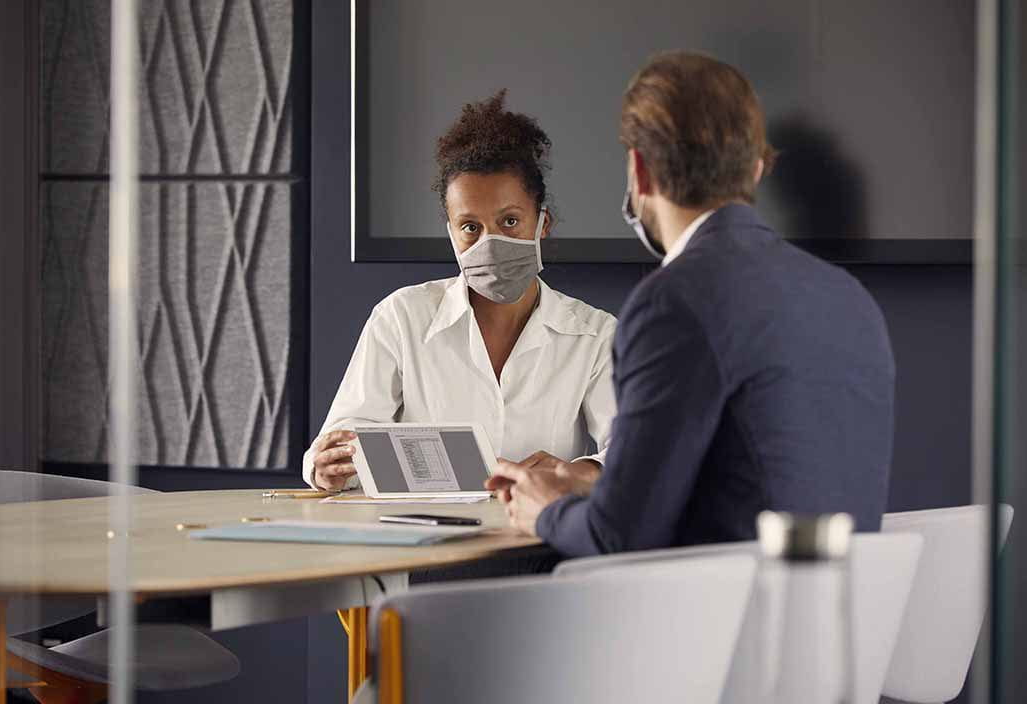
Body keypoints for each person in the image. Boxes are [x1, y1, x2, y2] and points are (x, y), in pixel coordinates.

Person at [488, 52, 896, 557]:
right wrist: (596, 488)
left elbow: (617, 537)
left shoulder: (671, 302)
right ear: (755, 167)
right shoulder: (849, 298)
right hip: (832, 622)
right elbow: (744, 483)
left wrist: (544, 510)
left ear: (639, 170)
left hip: (714, 627)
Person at [304, 91, 615, 498]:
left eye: (510, 221)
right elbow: (343, 446)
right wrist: (325, 467)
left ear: (543, 224)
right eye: (470, 227)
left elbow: (638, 454)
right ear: (451, 231)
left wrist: (581, 471)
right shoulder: (401, 317)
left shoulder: (595, 335)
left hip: (537, 543)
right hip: (425, 545)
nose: (490, 243)